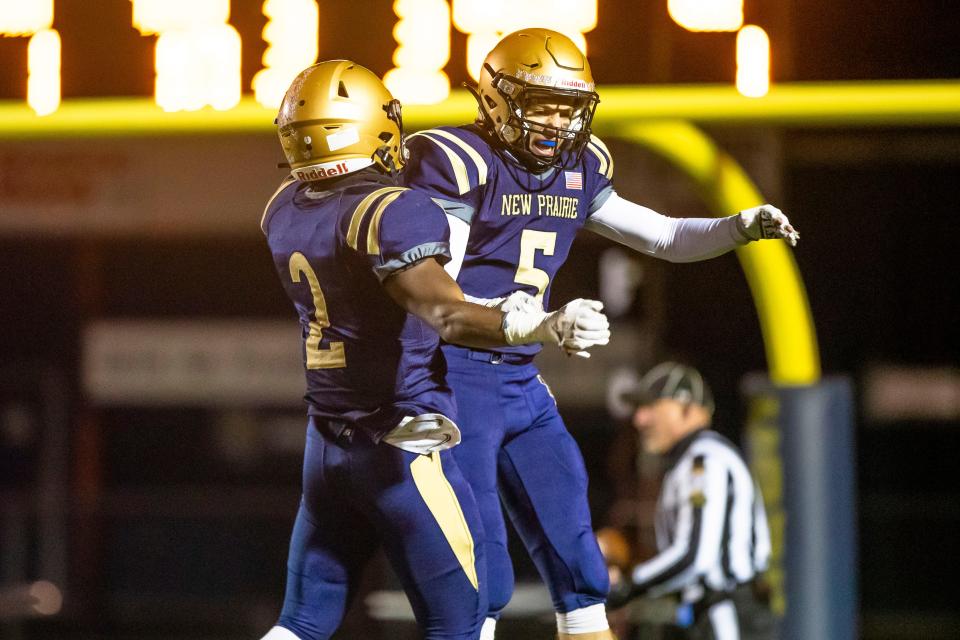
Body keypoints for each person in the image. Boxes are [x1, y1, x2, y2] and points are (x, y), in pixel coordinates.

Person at [400, 27, 799, 640]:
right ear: (499, 100)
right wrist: (547, 321)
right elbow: (444, 300)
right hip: (454, 378)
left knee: (578, 558)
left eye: (568, 107)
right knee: (479, 571)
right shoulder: (459, 160)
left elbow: (662, 236)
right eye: (542, 103)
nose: (557, 121)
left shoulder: (580, 169)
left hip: (521, 381)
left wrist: (737, 227)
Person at [258, 60, 611, 640]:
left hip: (326, 443)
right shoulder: (392, 209)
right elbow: (447, 312)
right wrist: (540, 325)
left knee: (300, 622)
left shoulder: (281, 209)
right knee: (462, 623)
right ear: (376, 125)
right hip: (401, 441)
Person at [606, 362, 777, 640]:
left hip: (726, 614)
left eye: (651, 406)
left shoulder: (705, 461)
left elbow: (694, 556)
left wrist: (628, 586)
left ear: (685, 407)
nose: (640, 419)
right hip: (714, 612)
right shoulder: (690, 461)